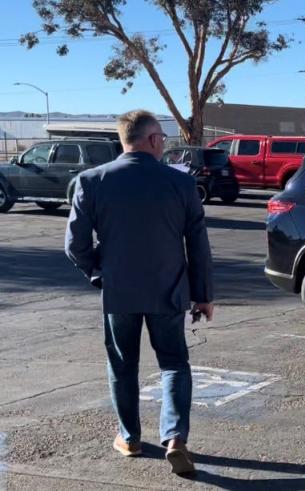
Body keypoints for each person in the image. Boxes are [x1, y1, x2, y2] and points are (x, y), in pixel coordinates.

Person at [65, 110, 214, 476]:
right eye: (162, 138)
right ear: (150, 140)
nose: (164, 144)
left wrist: (97, 272)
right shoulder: (180, 184)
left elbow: (75, 244)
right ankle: (175, 437)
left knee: (122, 365)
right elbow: (197, 243)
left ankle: (129, 437)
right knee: (174, 364)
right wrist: (204, 295)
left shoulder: (91, 180)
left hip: (119, 292)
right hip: (169, 291)